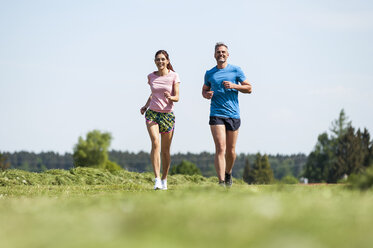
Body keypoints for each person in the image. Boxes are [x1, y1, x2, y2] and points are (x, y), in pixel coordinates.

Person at [202, 42, 252, 187]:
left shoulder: (236, 70)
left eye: (223, 52)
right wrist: (207, 94)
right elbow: (204, 90)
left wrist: (234, 85)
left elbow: (249, 88)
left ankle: (228, 173)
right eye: (218, 52)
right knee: (220, 147)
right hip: (216, 113)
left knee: (231, 150)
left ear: (228, 55)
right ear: (214, 55)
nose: (221, 54)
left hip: (233, 114)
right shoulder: (209, 73)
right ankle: (221, 182)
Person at [140, 50, 180, 190]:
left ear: (167, 61)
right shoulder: (151, 76)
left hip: (167, 115)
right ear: (155, 61)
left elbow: (177, 97)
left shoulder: (174, 76)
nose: (160, 62)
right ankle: (156, 179)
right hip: (152, 114)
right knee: (155, 143)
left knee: (165, 151)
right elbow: (153, 94)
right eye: (158, 59)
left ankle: (164, 179)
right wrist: (145, 106)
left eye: (163, 59)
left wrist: (170, 97)